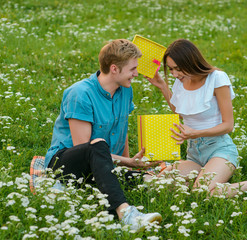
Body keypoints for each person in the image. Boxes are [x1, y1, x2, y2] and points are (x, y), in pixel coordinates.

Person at [44, 39, 162, 231]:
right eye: (132, 69)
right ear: (114, 69)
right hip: (65, 163)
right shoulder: (80, 93)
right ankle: (127, 214)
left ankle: (78, 190)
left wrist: (127, 160)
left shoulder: (126, 90)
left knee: (153, 181)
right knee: (97, 144)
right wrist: (127, 162)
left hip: (104, 164)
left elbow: (122, 127)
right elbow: (85, 148)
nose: (136, 73)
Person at [146, 39, 247, 197]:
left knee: (203, 192)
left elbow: (228, 125)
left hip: (220, 150)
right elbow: (180, 112)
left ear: (191, 62)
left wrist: (195, 133)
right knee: (159, 187)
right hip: (194, 153)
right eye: (171, 69)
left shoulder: (217, 78)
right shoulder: (180, 81)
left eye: (178, 69)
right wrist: (162, 86)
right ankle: (185, 171)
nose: (174, 74)